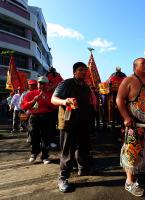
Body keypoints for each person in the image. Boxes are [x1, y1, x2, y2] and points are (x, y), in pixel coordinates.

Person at [116, 57, 145, 197]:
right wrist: (126, 118)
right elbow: (119, 99)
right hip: (134, 123)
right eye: (143, 64)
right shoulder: (128, 80)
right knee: (132, 151)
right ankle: (129, 182)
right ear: (135, 67)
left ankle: (139, 172)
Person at [51, 62, 94, 193]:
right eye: (81, 70)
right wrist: (65, 101)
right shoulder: (66, 83)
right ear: (74, 72)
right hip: (68, 122)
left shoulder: (86, 87)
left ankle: (82, 169)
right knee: (67, 151)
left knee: (83, 147)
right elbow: (53, 99)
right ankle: (62, 178)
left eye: (85, 70)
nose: (84, 72)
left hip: (83, 122)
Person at [21, 76, 55, 164]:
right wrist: (33, 101)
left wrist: (46, 100)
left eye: (44, 83)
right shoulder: (30, 94)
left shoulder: (51, 94)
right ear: (38, 83)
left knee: (46, 137)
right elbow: (24, 106)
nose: (41, 85)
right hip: (34, 116)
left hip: (46, 117)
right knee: (33, 135)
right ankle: (34, 154)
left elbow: (54, 107)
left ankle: (45, 156)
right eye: (40, 83)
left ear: (47, 85)